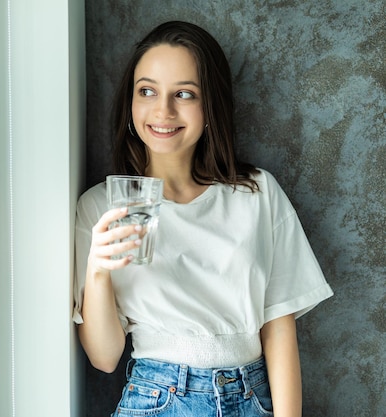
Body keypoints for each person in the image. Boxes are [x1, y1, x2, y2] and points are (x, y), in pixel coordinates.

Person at [73, 21, 333, 417]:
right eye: (147, 91)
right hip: (157, 398)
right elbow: (105, 358)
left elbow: (279, 328)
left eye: (184, 94)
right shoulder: (101, 207)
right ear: (131, 102)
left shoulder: (257, 194)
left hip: (253, 396)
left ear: (210, 105)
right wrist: (97, 270)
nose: (163, 111)